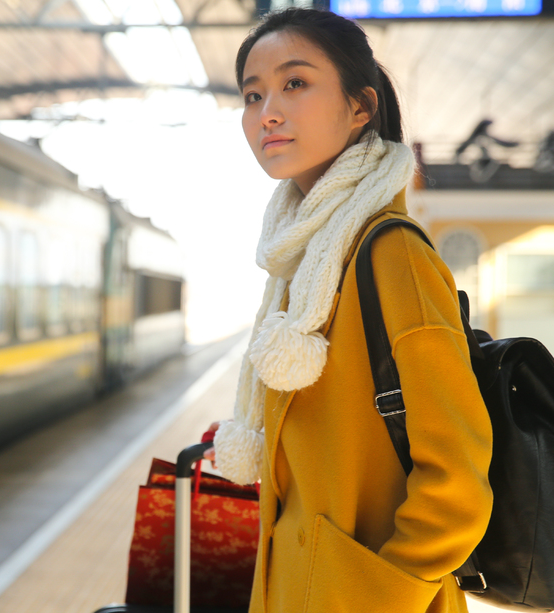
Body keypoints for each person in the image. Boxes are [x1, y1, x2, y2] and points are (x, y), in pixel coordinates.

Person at [205, 8, 493, 613]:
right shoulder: (302, 263)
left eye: (295, 83)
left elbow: (459, 484)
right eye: (252, 95)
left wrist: (377, 594)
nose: (268, 113)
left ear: (360, 107)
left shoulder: (390, 254)